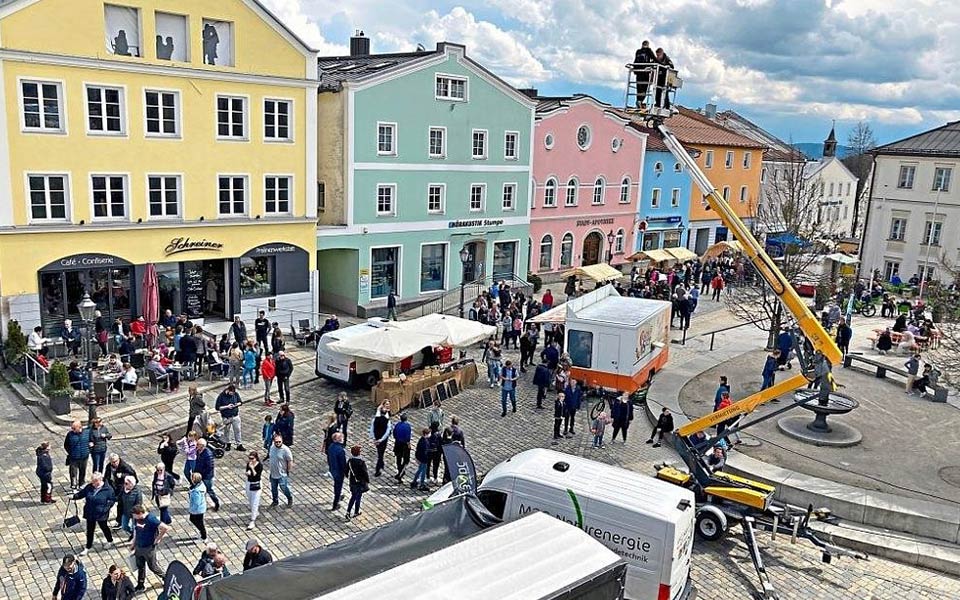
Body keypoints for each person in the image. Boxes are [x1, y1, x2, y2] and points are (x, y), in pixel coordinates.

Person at [129, 504, 171, 593]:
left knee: (153, 567)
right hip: (139, 546)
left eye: (135, 516)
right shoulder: (136, 519)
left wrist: (158, 539)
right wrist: (133, 542)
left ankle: (166, 578)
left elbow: (165, 528)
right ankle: (140, 585)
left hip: (149, 548)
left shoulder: (151, 519)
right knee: (140, 566)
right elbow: (136, 530)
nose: (134, 518)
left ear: (140, 513)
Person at [73, 472, 115, 556]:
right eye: (92, 481)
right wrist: (75, 496)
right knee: (90, 530)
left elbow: (111, 501)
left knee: (104, 527)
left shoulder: (108, 490)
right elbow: (82, 493)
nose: (93, 483)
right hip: (90, 512)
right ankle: (88, 547)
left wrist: (104, 509)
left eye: (94, 481)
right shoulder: (89, 487)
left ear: (100, 480)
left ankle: (110, 540)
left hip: (101, 514)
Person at [268, 433, 294, 509]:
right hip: (273, 473)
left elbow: (290, 461)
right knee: (273, 489)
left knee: (284, 488)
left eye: (279, 441)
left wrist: (288, 471)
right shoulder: (272, 447)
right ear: (274, 441)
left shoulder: (286, 450)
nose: (278, 443)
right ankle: (275, 501)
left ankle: (289, 498)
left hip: (282, 473)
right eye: (276, 442)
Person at [216, 384, 245, 451]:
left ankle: (239, 444)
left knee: (237, 430)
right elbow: (217, 407)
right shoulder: (221, 396)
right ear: (228, 390)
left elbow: (240, 402)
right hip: (226, 417)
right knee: (227, 431)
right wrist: (227, 406)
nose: (232, 394)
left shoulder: (235, 394)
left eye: (233, 393)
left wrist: (236, 405)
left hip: (235, 416)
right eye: (231, 393)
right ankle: (228, 443)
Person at [64, 420, 91, 490]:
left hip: (84, 456)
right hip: (74, 457)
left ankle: (81, 483)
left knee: (83, 471)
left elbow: (91, 441)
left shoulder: (87, 433)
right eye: (72, 428)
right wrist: (71, 452)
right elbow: (66, 445)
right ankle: (73, 484)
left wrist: (88, 450)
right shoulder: (70, 434)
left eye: (74, 428)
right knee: (73, 472)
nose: (72, 430)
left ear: (79, 427)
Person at [194, 438, 220, 511]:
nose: (196, 445)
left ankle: (216, 503)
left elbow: (209, 467)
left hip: (206, 477)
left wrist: (201, 474)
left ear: (202, 446)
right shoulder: (198, 451)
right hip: (199, 474)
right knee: (201, 491)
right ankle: (202, 504)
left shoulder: (208, 454)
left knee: (209, 490)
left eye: (198, 444)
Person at [346, 444, 370, 519]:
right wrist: (367, 480)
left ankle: (348, 511)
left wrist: (348, 476)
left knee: (353, 496)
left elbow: (346, 471)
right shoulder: (361, 462)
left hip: (353, 482)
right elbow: (365, 472)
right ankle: (356, 511)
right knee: (358, 497)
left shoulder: (350, 461)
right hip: (360, 482)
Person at [369, 402, 392, 477]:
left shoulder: (375, 419)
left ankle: (381, 463)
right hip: (382, 440)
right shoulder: (386, 421)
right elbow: (387, 431)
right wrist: (381, 439)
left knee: (380, 453)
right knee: (380, 454)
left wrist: (374, 438)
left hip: (377, 439)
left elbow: (372, 429)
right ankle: (378, 469)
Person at [633, 40, 657, 106]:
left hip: (638, 72)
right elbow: (654, 59)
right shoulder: (648, 51)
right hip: (645, 72)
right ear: (648, 45)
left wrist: (635, 70)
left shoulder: (638, 51)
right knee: (644, 88)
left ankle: (638, 101)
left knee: (639, 88)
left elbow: (635, 61)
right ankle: (640, 101)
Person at [117, 475, 142, 540]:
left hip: (134, 513)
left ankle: (135, 537)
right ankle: (133, 533)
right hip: (125, 511)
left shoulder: (137, 492)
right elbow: (119, 497)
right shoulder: (123, 489)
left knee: (134, 527)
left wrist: (135, 513)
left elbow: (138, 504)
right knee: (124, 526)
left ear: (131, 484)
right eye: (124, 483)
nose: (124, 485)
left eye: (126, 483)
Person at [328, 432, 347, 510]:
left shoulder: (331, 446)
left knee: (337, 484)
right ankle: (335, 504)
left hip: (332, 469)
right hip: (339, 472)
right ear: (339, 440)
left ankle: (338, 496)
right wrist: (346, 472)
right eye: (341, 438)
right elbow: (343, 463)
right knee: (338, 486)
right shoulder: (340, 450)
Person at [245, 450, 263, 530]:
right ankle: (255, 513)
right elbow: (247, 471)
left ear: (256, 458)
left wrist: (252, 468)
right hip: (249, 483)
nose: (250, 460)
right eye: (249, 458)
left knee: (255, 502)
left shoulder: (259, 465)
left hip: (256, 484)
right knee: (250, 500)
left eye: (252, 458)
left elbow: (256, 475)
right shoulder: (248, 464)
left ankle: (252, 520)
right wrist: (248, 471)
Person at [187, 473, 208, 542]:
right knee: (198, 521)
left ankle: (204, 536)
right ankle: (202, 532)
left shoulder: (196, 491)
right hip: (201, 507)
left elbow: (196, 503)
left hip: (198, 510)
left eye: (192, 478)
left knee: (196, 520)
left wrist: (192, 509)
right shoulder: (200, 485)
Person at [392, 413, 412, 483]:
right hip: (404, 445)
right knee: (406, 460)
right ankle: (401, 473)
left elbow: (394, 434)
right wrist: (408, 444)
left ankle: (399, 470)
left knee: (398, 458)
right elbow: (408, 437)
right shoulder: (407, 426)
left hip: (397, 444)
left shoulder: (397, 425)